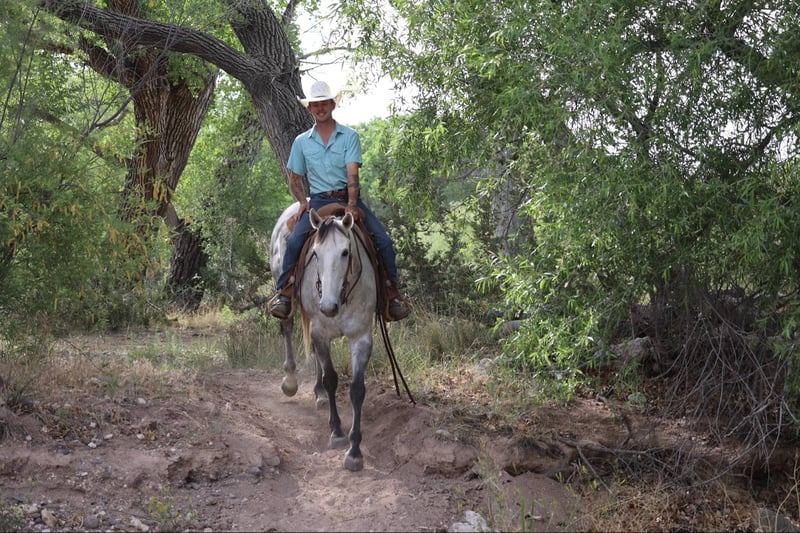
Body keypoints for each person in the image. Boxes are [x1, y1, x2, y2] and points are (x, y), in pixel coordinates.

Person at [269, 80, 411, 321]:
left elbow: (352, 174)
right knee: (293, 243)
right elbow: (294, 178)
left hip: (347, 198)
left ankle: (391, 295)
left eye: (324, 103)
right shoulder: (301, 142)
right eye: (316, 105)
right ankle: (284, 293)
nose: (320, 108)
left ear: (332, 105)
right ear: (310, 108)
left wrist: (352, 204)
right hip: (318, 201)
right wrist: (302, 202)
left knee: (384, 242)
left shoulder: (349, 136)